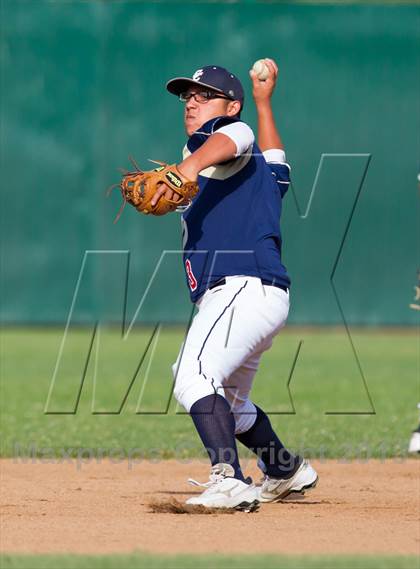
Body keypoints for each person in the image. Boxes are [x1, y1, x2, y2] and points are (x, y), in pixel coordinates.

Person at [156, 60, 318, 510]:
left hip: (241, 288)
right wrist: (265, 103)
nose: (191, 100)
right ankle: (284, 469)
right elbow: (279, 166)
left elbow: (240, 135)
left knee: (192, 376)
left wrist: (188, 165)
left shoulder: (220, 140)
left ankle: (228, 479)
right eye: (187, 95)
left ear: (230, 106)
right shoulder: (256, 172)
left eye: (203, 94)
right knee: (227, 400)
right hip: (262, 295)